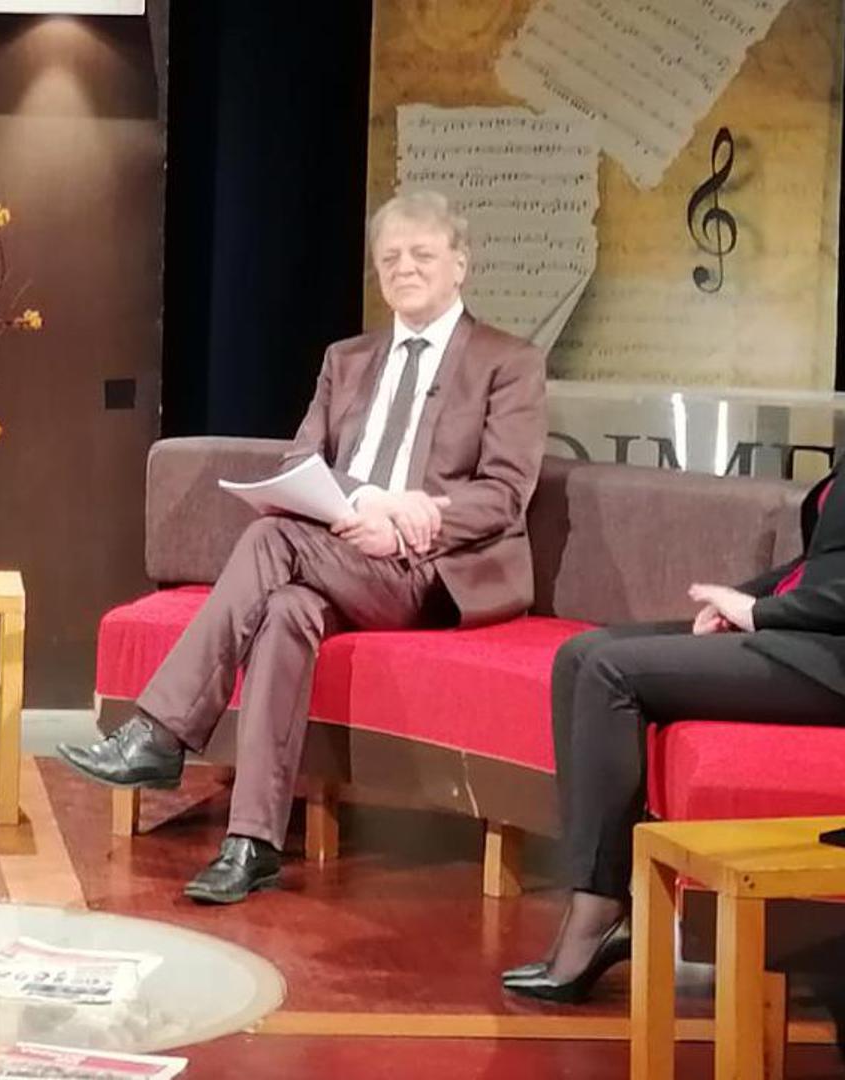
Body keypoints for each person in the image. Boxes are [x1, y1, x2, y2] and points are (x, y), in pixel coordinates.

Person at [502, 232, 845, 1004]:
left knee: (611, 670)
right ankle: (604, 895)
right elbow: (830, 554)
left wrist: (766, 613)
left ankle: (599, 908)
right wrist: (742, 599)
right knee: (584, 655)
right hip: (818, 634)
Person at [57, 190, 549, 904]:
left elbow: (505, 492)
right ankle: (252, 843)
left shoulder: (508, 361)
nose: (405, 268)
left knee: (270, 538)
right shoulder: (346, 360)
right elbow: (302, 460)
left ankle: (162, 734)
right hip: (343, 549)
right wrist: (365, 504)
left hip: (428, 567)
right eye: (390, 257)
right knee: (286, 612)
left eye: (422, 254)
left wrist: (409, 519)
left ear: (460, 264)